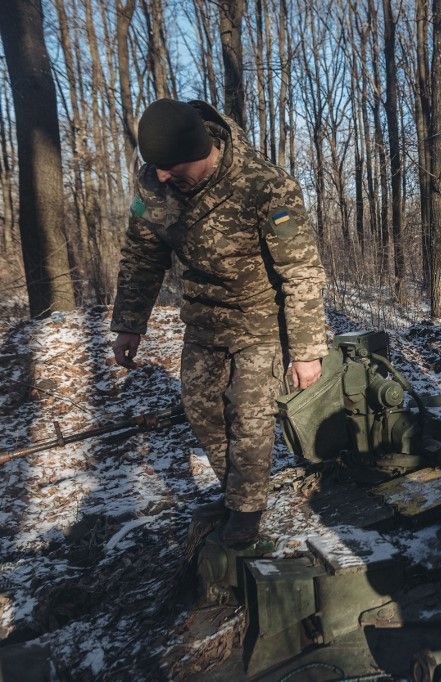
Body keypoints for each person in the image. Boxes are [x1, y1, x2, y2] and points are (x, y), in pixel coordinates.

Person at [110, 99, 328, 548]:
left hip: (261, 318)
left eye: (172, 166)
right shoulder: (155, 187)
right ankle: (236, 494)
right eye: (157, 167)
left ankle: (246, 510)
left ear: (201, 149)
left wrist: (306, 350)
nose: (163, 176)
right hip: (205, 317)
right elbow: (141, 258)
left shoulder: (264, 186)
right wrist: (129, 324)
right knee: (202, 409)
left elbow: (301, 270)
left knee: (248, 415)